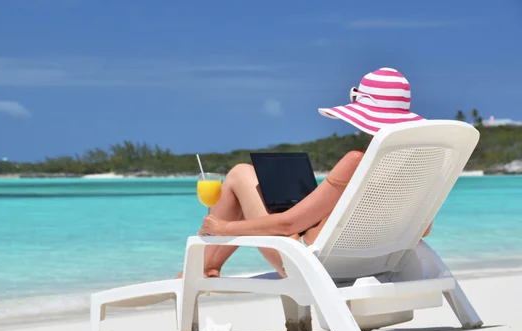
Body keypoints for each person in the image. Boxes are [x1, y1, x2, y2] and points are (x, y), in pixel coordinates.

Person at [181, 67, 432, 279]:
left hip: (307, 262)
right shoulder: (419, 166)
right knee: (267, 193)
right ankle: (209, 266)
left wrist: (224, 228)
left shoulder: (357, 161)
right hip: (379, 264)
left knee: (239, 174)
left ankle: (199, 270)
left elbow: (287, 223)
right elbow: (425, 229)